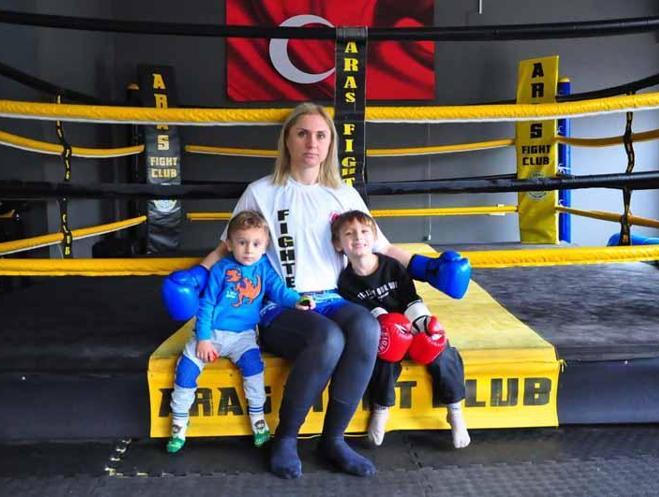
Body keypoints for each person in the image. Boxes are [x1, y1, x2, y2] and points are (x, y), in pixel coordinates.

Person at [162, 102, 470, 479]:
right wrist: (197, 275)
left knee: (367, 328)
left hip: (333, 298)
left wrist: (428, 268)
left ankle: (334, 440)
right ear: (287, 141)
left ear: (330, 144)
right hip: (279, 305)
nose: (312, 143)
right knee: (327, 339)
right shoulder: (262, 192)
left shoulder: (344, 193)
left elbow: (382, 247)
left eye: (321, 135)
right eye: (303, 134)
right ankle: (286, 439)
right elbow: (228, 247)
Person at [165, 210, 314, 454]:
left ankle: (258, 421)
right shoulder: (221, 269)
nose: (248, 250)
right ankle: (179, 424)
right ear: (230, 244)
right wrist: (203, 339)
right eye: (242, 242)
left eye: (256, 244)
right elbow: (206, 304)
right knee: (186, 370)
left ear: (265, 246)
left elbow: (279, 290)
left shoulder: (264, 268)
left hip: (243, 336)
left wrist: (297, 300)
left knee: (254, 369)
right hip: (212, 332)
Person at [332, 210, 470, 449]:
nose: (358, 237)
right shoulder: (345, 282)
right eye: (349, 234)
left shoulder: (392, 267)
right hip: (384, 331)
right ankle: (381, 409)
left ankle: (455, 410)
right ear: (338, 244)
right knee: (383, 360)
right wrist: (387, 325)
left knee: (441, 349)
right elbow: (363, 311)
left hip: (411, 321)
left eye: (364, 232)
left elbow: (410, 299)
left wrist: (423, 323)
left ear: (374, 237)